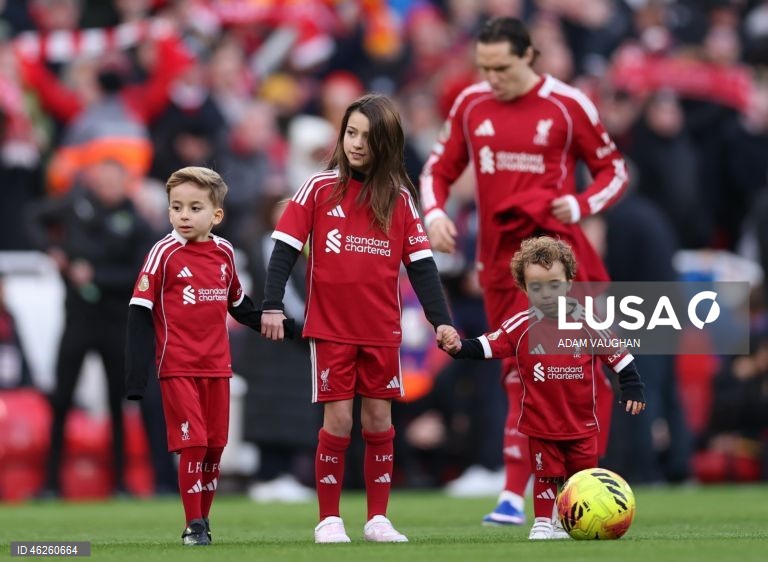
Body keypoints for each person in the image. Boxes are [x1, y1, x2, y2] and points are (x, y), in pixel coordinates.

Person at [419, 16, 629, 525]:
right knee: (516, 370)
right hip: (498, 264)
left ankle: (533, 494)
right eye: (484, 67)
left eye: (502, 67)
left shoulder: (567, 104)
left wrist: (579, 206)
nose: (492, 77)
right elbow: (436, 169)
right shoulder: (471, 104)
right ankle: (531, 493)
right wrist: (437, 212)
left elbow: (613, 169)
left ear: (529, 56)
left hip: (556, 258)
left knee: (570, 370)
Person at [260, 94, 458, 544]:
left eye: (367, 137)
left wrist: (441, 321)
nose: (355, 144)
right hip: (330, 329)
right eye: (350, 133)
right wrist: (272, 304)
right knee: (339, 423)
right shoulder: (318, 188)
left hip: (381, 331)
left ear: (386, 143)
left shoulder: (401, 200)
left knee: (378, 422)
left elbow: (423, 268)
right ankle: (328, 519)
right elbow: (283, 252)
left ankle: (377, 519)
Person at [124, 166, 290, 546]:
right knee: (194, 442)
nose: (183, 215)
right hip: (177, 365)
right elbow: (138, 311)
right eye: (176, 207)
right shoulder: (162, 254)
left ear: (216, 215)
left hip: (218, 366)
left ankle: (204, 520)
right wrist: (135, 377)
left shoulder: (225, 253)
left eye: (194, 207)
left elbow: (239, 305)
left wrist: (280, 321)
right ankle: (192, 524)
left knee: (215, 446)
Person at [439, 236, 646, 540]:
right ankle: (542, 523)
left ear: (569, 281)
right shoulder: (520, 325)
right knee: (545, 475)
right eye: (536, 287)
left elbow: (619, 356)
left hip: (582, 422)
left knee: (582, 480)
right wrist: (459, 347)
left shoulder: (587, 321)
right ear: (523, 288)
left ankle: (569, 522)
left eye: (554, 284)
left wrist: (632, 387)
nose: (546, 293)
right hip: (541, 421)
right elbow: (488, 345)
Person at [25, 158, 153, 498]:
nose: (107, 188)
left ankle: (121, 483)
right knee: (62, 398)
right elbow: (33, 217)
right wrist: (52, 250)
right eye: (102, 181)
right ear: (94, 181)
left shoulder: (137, 223)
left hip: (115, 322)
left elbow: (139, 275)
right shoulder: (74, 206)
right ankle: (50, 483)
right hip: (78, 319)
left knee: (117, 401)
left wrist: (96, 276)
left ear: (126, 183)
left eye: (114, 181)